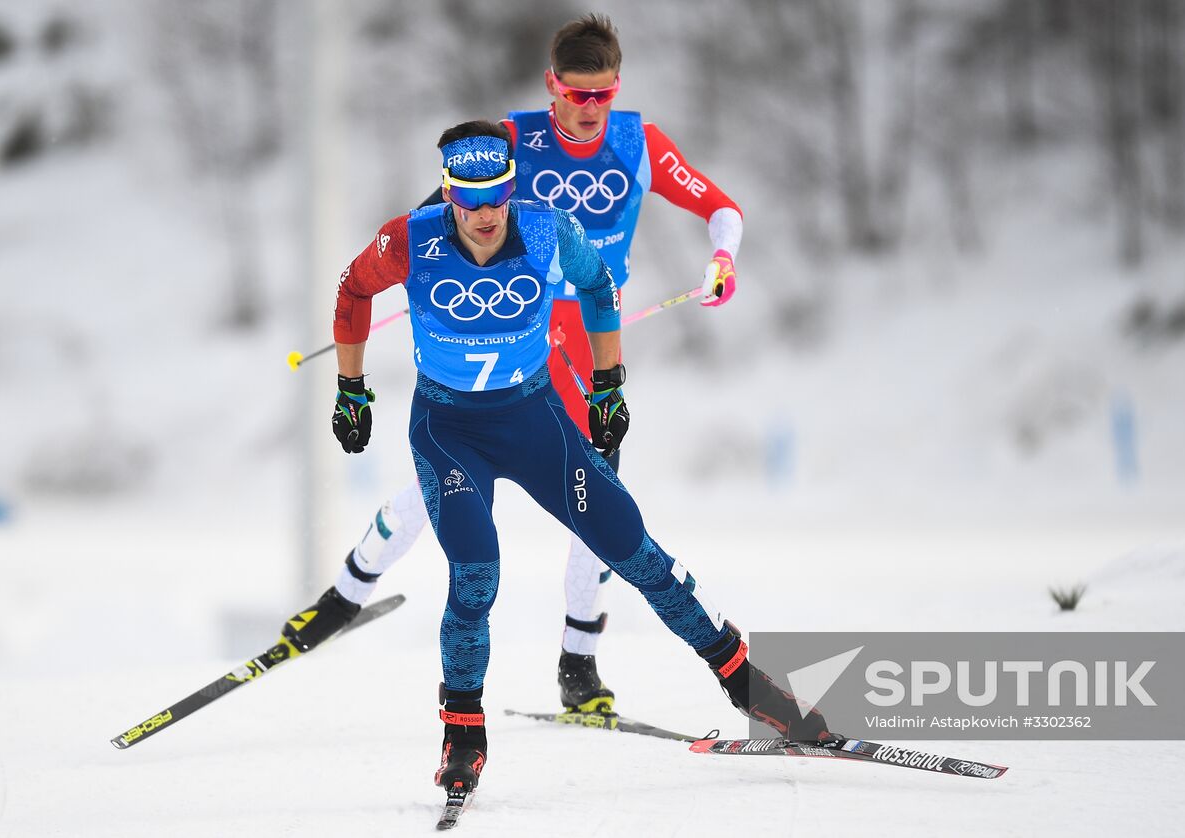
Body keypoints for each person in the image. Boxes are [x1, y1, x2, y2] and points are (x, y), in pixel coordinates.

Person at [326, 119, 827, 795]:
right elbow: (353, 290)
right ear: (446, 194)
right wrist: (351, 389)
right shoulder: (407, 239)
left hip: (536, 424)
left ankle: (749, 685)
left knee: (634, 549)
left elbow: (597, 287)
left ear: (512, 189)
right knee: (477, 575)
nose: (482, 214)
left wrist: (608, 382)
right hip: (449, 432)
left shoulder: (546, 230)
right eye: (466, 199)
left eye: (496, 197)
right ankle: (462, 733)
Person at [281, 14, 743, 718]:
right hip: (517, 331)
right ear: (551, 87)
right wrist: (425, 280)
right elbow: (438, 215)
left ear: (616, 89)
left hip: (586, 336)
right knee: (451, 482)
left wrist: (722, 259)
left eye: (603, 97)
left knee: (601, 494)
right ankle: (345, 595)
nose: (589, 113)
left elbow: (721, 208)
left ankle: (578, 660)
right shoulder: (512, 141)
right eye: (575, 96)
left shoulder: (638, 143)